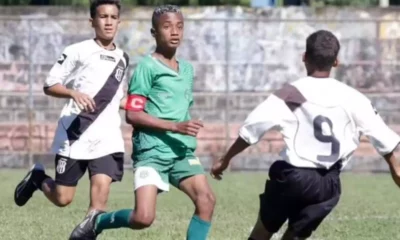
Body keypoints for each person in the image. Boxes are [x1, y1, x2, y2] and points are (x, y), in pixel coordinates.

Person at [211, 30, 400, 240]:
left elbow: (251, 129)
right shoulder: (353, 97)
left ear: (304, 57)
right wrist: (394, 165)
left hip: (293, 177)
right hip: (328, 185)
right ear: (336, 62)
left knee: (262, 233)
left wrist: (225, 159)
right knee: (294, 237)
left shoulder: (292, 93)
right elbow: (382, 137)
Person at [69, 5, 216, 240]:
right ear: (154, 32)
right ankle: (97, 221)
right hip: (152, 153)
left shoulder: (187, 70)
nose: (174, 32)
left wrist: (186, 127)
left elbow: (179, 108)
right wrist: (174, 126)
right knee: (143, 218)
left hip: (180, 151)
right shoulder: (146, 68)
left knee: (206, 200)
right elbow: (133, 115)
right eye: (167, 27)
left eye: (179, 26)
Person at [14, 0, 129, 222]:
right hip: (75, 134)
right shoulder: (78, 51)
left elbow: (117, 98)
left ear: (119, 22)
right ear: (92, 21)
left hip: (107, 138)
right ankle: (38, 178)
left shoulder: (123, 58)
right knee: (63, 198)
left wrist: (139, 105)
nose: (108, 22)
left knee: (99, 200)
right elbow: (49, 85)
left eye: (113, 17)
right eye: (103, 17)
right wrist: (73, 93)